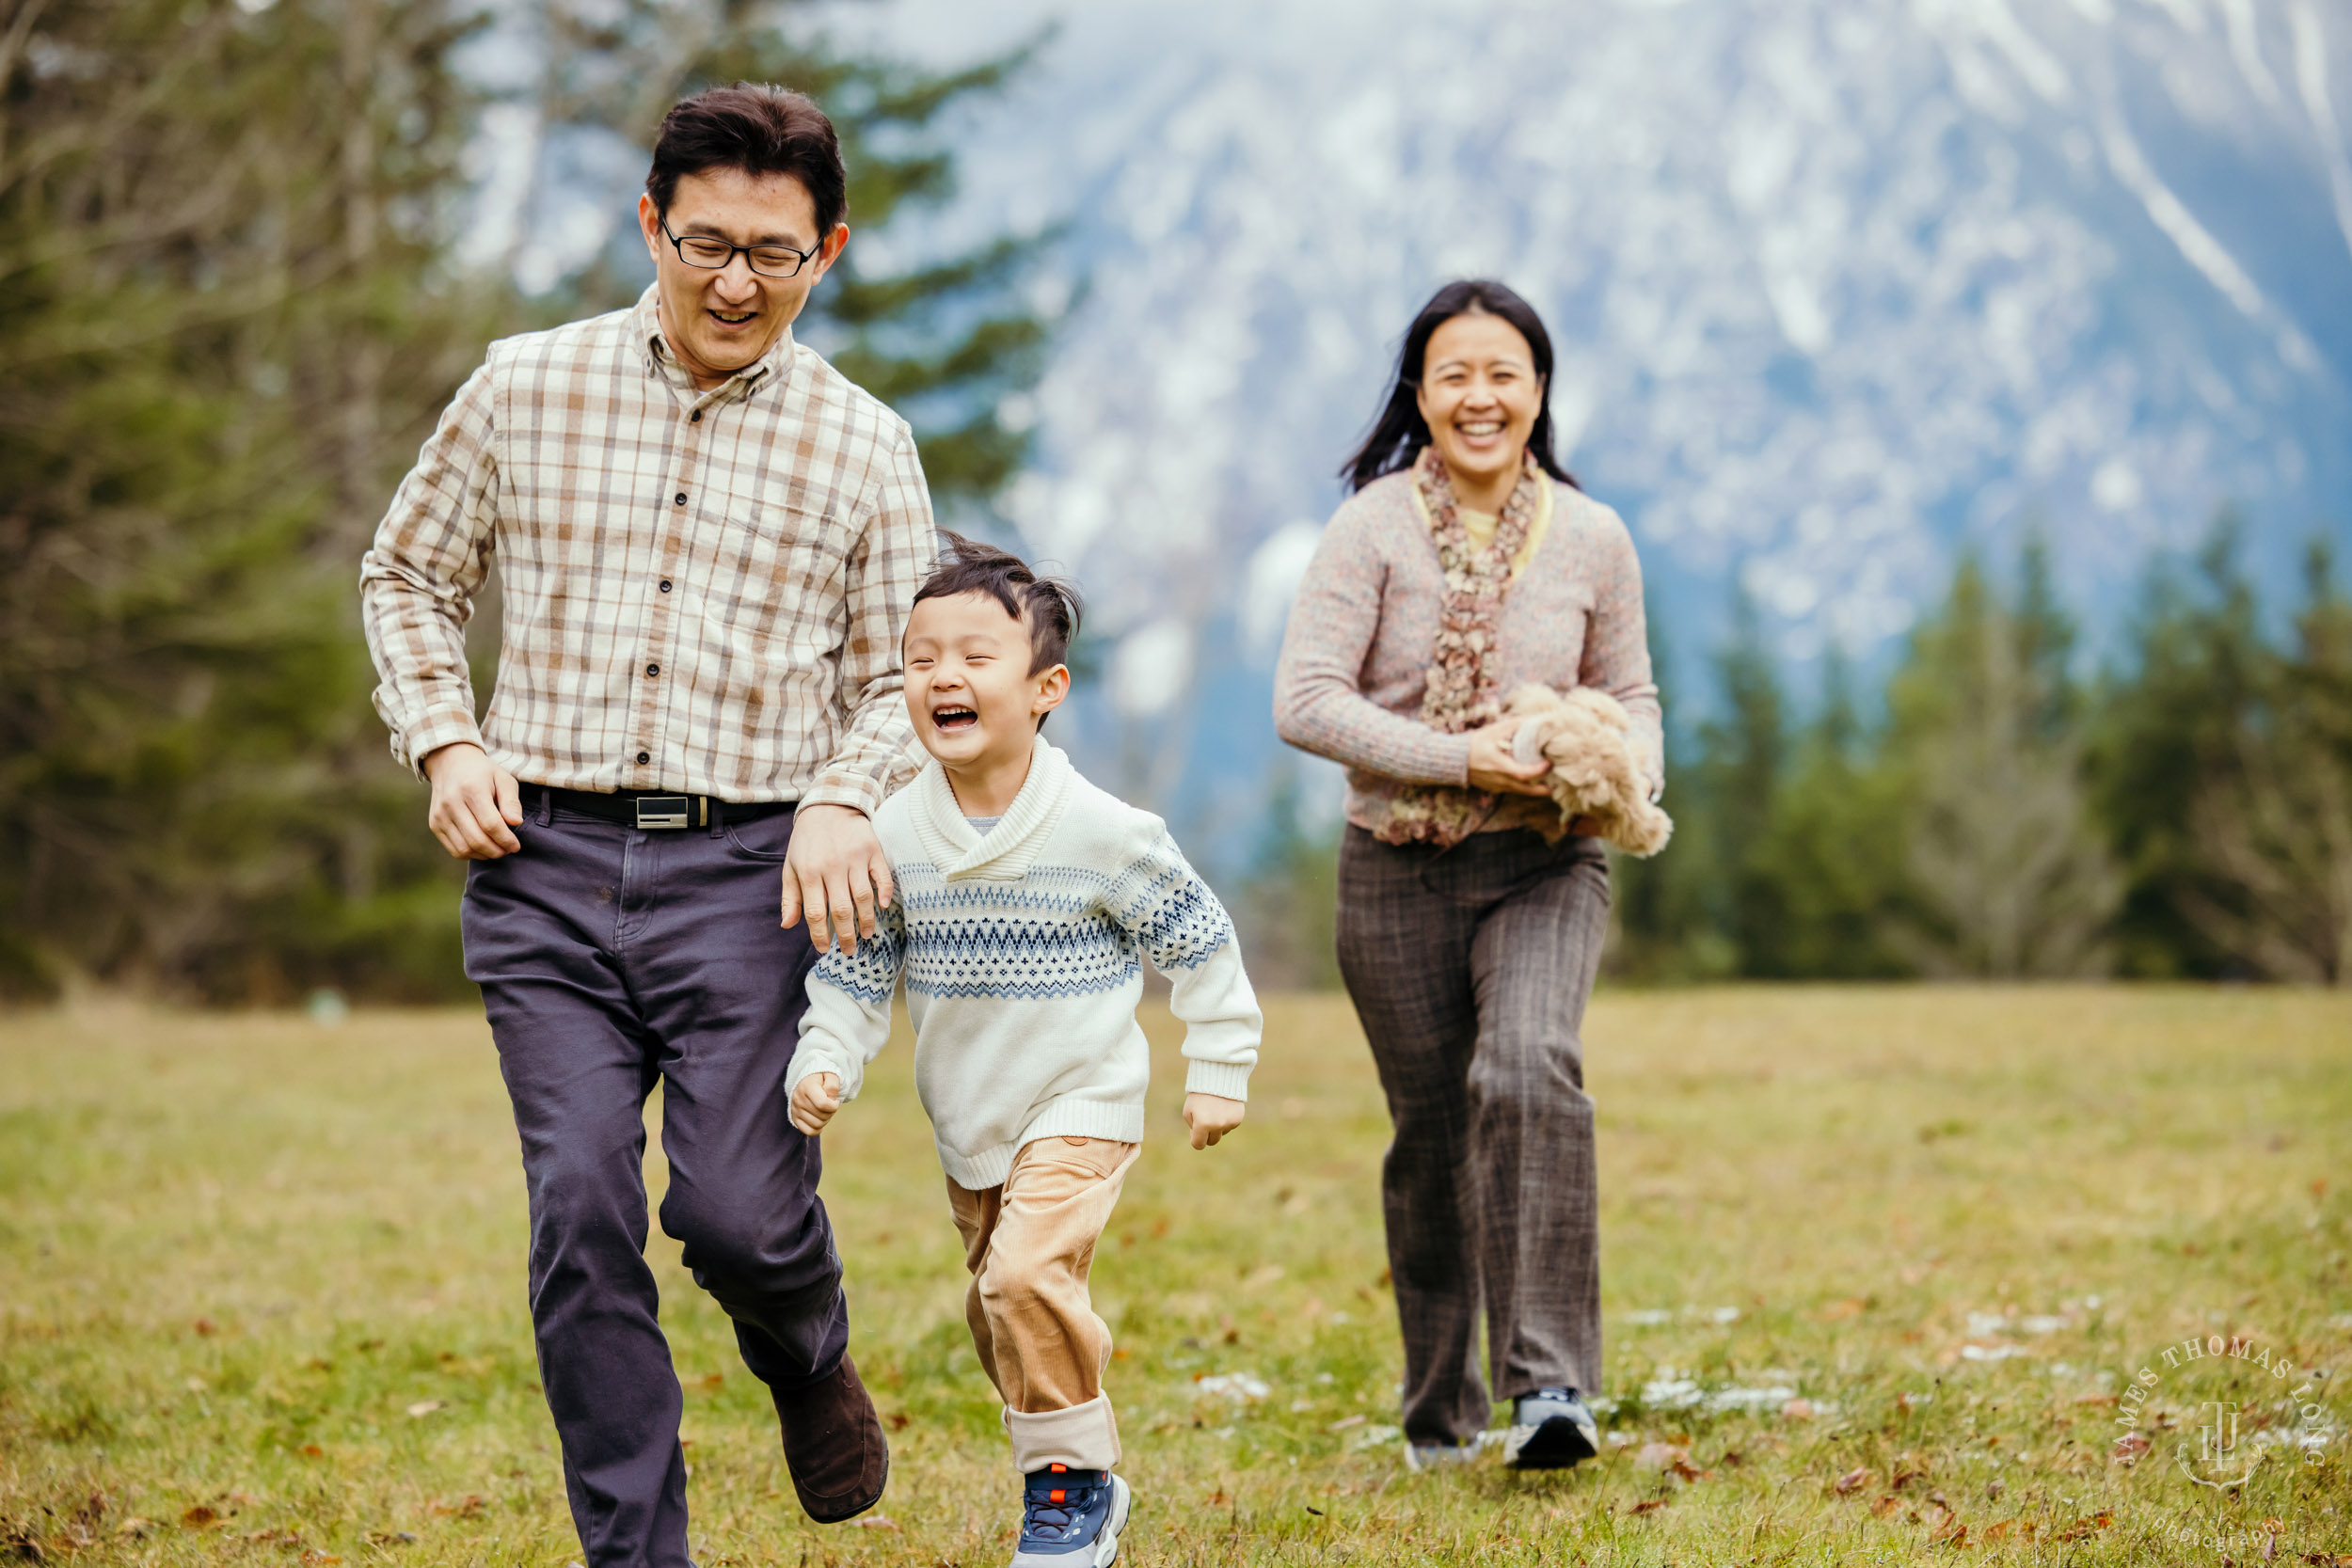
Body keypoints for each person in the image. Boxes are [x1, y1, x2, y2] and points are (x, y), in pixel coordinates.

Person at [358, 83, 931, 1564]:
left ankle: (805, 1350)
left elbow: (903, 680)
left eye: (776, 253)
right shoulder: (519, 385)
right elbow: (407, 574)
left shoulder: (867, 445)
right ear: (649, 224)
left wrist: (842, 796)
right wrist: (445, 738)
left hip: (753, 875)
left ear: (831, 252)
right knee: (582, 1211)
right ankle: (639, 1550)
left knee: (739, 1212)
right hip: (537, 864)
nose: (736, 281)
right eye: (706, 242)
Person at [785, 534, 1263, 1567]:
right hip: (971, 1122)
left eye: (974, 656)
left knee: (1022, 1279)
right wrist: (827, 1053)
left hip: (1082, 1101)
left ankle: (1069, 1491)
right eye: (919, 659)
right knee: (998, 1306)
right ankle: (1079, 1457)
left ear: (1046, 687)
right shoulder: (892, 834)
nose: (942, 676)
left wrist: (1218, 1066)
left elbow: (1199, 941)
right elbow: (859, 971)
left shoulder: (1102, 828)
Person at [1272, 279, 1662, 1472]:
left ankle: (1551, 1391)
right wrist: (1456, 754)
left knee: (1528, 1070)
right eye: (1455, 374)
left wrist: (1617, 763)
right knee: (1433, 1136)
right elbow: (1304, 700)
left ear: (1539, 392)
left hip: (1547, 858)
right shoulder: (1370, 528)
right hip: (1391, 870)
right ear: (1420, 393)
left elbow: (1635, 695)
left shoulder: (1594, 537)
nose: (1480, 395)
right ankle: (1439, 1413)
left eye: (1505, 373)